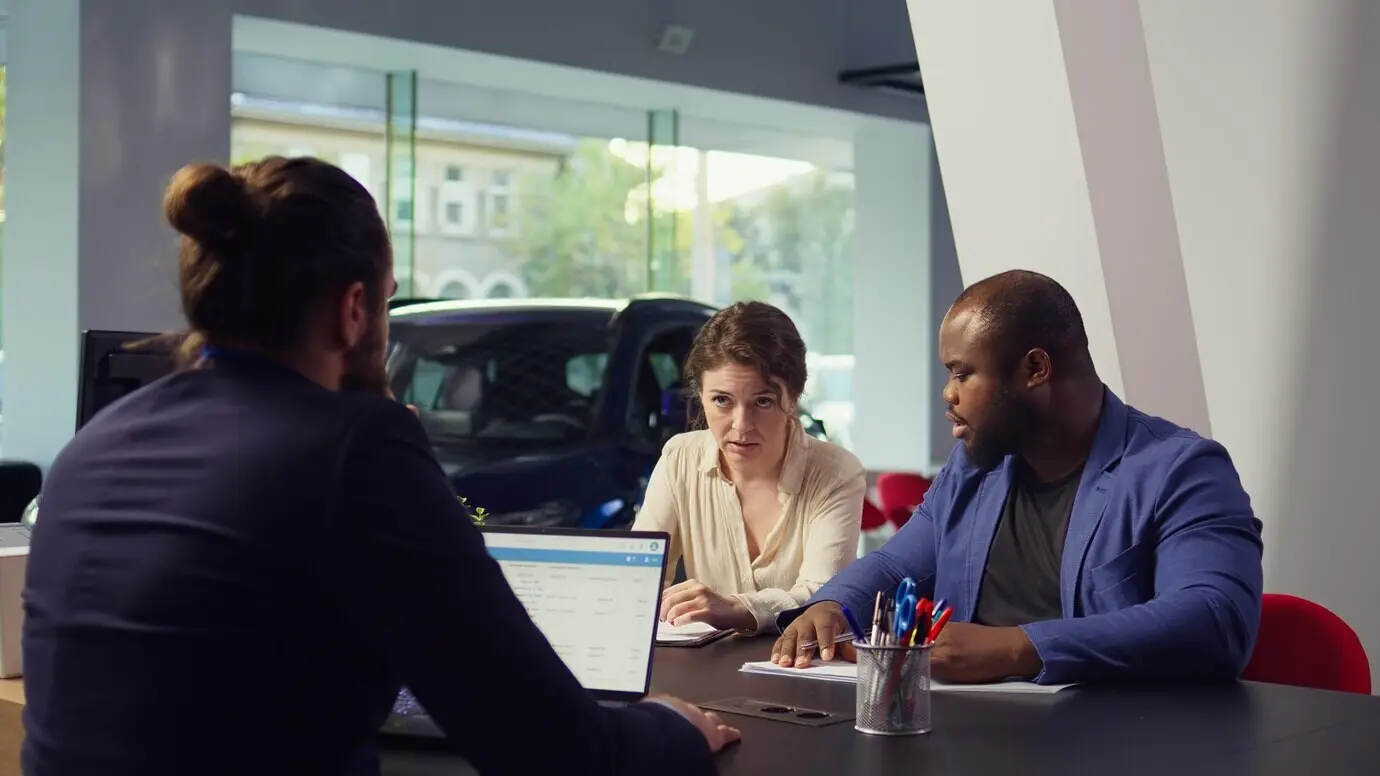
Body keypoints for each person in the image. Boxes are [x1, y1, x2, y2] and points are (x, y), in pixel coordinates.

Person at [21, 157, 738, 776]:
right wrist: (674, 727)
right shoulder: (353, 447)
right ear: (355, 309)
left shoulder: (96, 442)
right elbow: (559, 753)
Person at [771, 270, 1264, 686]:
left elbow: (1215, 618)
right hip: (965, 739)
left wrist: (1018, 648)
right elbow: (897, 564)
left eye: (963, 374)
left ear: (1034, 368)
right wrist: (832, 605)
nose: (948, 394)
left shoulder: (1180, 469)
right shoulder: (976, 466)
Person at [633, 301, 866, 634]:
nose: (741, 426)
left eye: (763, 401)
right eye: (722, 400)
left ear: (794, 397)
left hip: (797, 672)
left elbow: (823, 596)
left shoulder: (835, 473)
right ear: (700, 394)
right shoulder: (680, 458)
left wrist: (736, 608)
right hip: (706, 670)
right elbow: (641, 576)